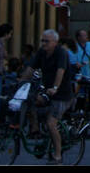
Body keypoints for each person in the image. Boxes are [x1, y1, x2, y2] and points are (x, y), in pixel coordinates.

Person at [21, 29, 72, 164]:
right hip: (48, 91)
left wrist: (55, 88)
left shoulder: (61, 53)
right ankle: (36, 129)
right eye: (42, 40)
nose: (43, 43)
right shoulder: (41, 53)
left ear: (55, 42)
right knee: (31, 101)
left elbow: (60, 71)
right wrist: (20, 82)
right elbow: (30, 69)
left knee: (51, 123)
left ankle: (58, 155)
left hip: (62, 94)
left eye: (46, 41)